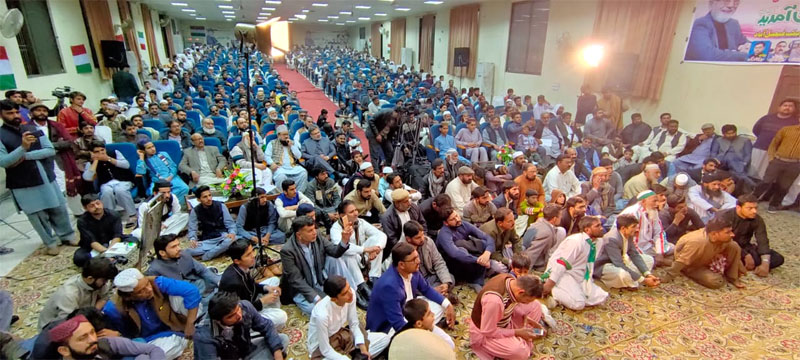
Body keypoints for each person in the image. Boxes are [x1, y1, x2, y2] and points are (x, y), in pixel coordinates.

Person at [0, 100, 75, 255]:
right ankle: (50, 242)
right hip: (22, 182)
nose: (15, 116)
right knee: (37, 216)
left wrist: (24, 155)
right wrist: (23, 148)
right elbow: (4, 161)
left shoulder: (32, 128)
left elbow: (49, 150)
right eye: (10, 113)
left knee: (58, 208)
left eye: (16, 112)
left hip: (45, 176)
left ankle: (67, 235)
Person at [366, 242, 455, 342]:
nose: (418, 261)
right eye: (413, 259)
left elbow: (426, 289)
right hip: (388, 326)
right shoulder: (389, 285)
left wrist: (448, 305)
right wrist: (419, 336)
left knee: (441, 304)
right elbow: (397, 322)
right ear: (401, 265)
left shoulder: (413, 271)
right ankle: (424, 329)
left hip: (409, 312)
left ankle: (425, 326)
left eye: (417, 257)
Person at [102, 268, 200, 359]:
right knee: (152, 355)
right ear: (129, 296)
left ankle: (193, 327)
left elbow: (192, 291)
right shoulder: (114, 309)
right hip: (151, 339)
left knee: (180, 296)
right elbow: (124, 339)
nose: (149, 290)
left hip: (173, 322)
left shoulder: (156, 282)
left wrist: (190, 324)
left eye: (147, 284)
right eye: (141, 291)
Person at [279, 216, 351, 315]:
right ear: (299, 235)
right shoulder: (287, 251)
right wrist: (316, 298)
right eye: (310, 231)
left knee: (337, 303)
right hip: (301, 290)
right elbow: (296, 280)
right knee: (320, 312)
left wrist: (344, 240)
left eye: (314, 229)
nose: (314, 232)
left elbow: (335, 252)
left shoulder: (317, 237)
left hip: (319, 280)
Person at [308, 276, 390, 359]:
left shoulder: (351, 295)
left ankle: (356, 355)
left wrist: (362, 346)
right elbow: (325, 350)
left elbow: (354, 324)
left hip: (342, 338)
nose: (350, 293)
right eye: (344, 293)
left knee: (384, 339)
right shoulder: (322, 315)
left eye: (349, 288)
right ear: (334, 299)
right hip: (322, 347)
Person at [468, 274, 545, 360]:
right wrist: (517, 332)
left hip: (505, 318)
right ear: (521, 292)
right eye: (527, 300)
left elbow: (511, 304)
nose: (527, 303)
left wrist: (534, 326)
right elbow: (488, 332)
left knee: (536, 306)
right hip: (487, 333)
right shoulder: (494, 301)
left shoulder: (511, 281)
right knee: (521, 352)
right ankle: (523, 339)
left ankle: (526, 335)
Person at [194, 291, 288, 360]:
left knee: (282, 340)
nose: (239, 315)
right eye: (231, 316)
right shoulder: (204, 337)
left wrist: (277, 353)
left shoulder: (244, 306)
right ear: (218, 320)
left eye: (238, 310)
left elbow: (267, 326)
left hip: (245, 349)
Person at [541, 216, 608, 310]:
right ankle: (554, 291)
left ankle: (572, 292)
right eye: (597, 226)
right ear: (587, 229)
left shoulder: (598, 242)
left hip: (579, 275)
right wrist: (549, 284)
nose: (601, 228)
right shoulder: (576, 241)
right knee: (579, 304)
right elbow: (561, 263)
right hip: (563, 274)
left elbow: (589, 264)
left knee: (601, 296)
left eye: (600, 225)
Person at [329, 200, 387, 307]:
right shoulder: (335, 229)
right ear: (342, 215)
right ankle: (361, 286)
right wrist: (365, 249)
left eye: (356, 210)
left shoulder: (361, 222)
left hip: (362, 258)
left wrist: (377, 248)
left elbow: (381, 235)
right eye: (351, 212)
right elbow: (342, 247)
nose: (356, 213)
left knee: (377, 239)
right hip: (348, 263)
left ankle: (373, 278)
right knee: (348, 253)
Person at [219, 239, 287, 329]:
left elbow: (252, 285)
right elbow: (240, 310)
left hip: (251, 300)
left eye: (252, 251)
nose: (253, 256)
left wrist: (266, 288)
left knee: (273, 281)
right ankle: (261, 326)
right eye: (248, 255)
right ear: (237, 261)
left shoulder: (242, 268)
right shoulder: (233, 282)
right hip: (241, 316)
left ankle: (269, 313)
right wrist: (262, 301)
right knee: (282, 317)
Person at [661, 217, 746, 289]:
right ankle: (685, 271)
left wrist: (737, 267)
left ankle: (732, 277)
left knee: (734, 246)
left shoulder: (723, 239)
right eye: (728, 232)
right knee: (716, 281)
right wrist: (667, 277)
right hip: (691, 264)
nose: (732, 235)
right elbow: (682, 260)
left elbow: (733, 250)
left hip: (706, 258)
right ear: (714, 234)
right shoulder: (698, 242)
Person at [38, 257, 117, 330]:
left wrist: (93, 312)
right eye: (104, 280)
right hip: (55, 327)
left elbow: (105, 297)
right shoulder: (69, 294)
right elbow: (66, 324)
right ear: (90, 278)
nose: (106, 283)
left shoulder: (97, 282)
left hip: (83, 315)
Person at [716, 194, 784, 277]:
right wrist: (745, 255)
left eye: (755, 208)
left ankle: (751, 265)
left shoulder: (757, 219)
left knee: (778, 258)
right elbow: (723, 240)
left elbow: (762, 241)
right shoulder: (725, 216)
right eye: (750, 208)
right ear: (738, 207)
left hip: (746, 247)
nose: (754, 211)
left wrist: (765, 263)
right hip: (727, 247)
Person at [46, 315, 165, 359]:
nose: (93, 340)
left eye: (92, 332)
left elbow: (153, 349)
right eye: (82, 338)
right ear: (64, 350)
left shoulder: (103, 344)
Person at [436, 207, 498, 289]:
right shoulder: (444, 234)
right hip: (452, 263)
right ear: (446, 223)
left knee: (483, 243)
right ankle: (473, 280)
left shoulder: (463, 224)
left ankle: (481, 272)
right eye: (453, 219)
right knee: (461, 248)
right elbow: (454, 253)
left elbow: (487, 237)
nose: (457, 219)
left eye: (457, 216)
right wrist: (478, 260)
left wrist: (487, 253)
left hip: (468, 257)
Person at [145, 233, 219, 299]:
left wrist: (218, 282)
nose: (179, 249)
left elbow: (202, 270)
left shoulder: (184, 255)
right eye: (174, 247)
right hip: (181, 297)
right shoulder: (155, 270)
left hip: (199, 284)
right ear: (162, 253)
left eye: (178, 245)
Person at [595, 215, 659, 289]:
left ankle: (634, 279)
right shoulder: (612, 239)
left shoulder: (629, 234)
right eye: (633, 226)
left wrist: (647, 274)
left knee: (649, 259)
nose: (636, 229)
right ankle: (633, 281)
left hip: (622, 261)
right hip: (607, 265)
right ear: (623, 228)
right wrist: (643, 280)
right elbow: (618, 263)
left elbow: (634, 255)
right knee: (622, 274)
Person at [74, 194, 138, 267]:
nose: (96, 207)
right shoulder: (82, 221)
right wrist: (106, 253)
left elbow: (117, 235)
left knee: (133, 241)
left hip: (112, 242)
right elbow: (91, 241)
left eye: (98, 203)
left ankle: (105, 258)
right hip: (93, 246)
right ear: (85, 208)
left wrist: (110, 252)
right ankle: (107, 259)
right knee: (79, 258)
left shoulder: (113, 214)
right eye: (92, 206)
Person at [753, 116, 800, 212]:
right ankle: (753, 199)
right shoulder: (786, 130)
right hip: (778, 160)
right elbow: (774, 144)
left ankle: (774, 204)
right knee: (766, 181)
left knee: (784, 186)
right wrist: (771, 158)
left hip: (795, 164)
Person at [83, 141, 137, 225]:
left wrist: (109, 159)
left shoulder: (114, 153)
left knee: (120, 190)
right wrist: (96, 161)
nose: (101, 153)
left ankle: (132, 215)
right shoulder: (90, 162)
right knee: (106, 192)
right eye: (97, 152)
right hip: (106, 183)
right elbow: (87, 177)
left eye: (102, 150)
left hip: (123, 181)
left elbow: (126, 165)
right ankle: (110, 217)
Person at [619, 190, 673, 266]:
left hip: (648, 246)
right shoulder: (632, 214)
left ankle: (656, 259)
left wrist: (659, 252)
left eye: (657, 201)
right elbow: (630, 240)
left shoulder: (653, 210)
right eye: (654, 201)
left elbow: (659, 232)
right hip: (631, 248)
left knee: (673, 248)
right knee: (646, 260)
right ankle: (658, 261)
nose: (657, 204)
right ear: (643, 201)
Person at [684, 0, 749, 61]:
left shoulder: (733, 24)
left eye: (736, 1)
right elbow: (708, 55)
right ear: (712, 2)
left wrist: (752, 48)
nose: (731, 5)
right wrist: (744, 55)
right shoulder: (700, 24)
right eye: (726, 0)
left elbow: (745, 43)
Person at [187, 185, 236, 260]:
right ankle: (219, 251)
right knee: (188, 251)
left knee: (230, 241)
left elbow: (230, 223)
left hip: (223, 236)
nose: (209, 199)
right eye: (205, 197)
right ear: (199, 200)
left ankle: (207, 256)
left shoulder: (221, 206)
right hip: (208, 240)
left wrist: (232, 233)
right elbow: (192, 228)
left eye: (210, 195)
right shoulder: (195, 211)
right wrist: (193, 239)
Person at [751, 99, 798, 178]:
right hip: (759, 148)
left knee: (765, 176)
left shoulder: (795, 123)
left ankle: (759, 190)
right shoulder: (766, 118)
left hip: (775, 154)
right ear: (779, 107)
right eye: (785, 105)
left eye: (790, 106)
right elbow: (756, 130)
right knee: (752, 171)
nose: (787, 108)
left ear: (794, 109)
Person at [381, 188, 428, 257]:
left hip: (419, 240)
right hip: (402, 249)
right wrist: (408, 248)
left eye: (409, 200)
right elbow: (392, 240)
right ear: (397, 204)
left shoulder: (413, 207)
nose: (409, 203)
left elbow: (423, 223)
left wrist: (423, 237)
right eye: (405, 201)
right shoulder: (387, 217)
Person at [265, 125, 309, 193]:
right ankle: (282, 195)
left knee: (303, 172)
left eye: (287, 134)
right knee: (281, 176)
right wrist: (271, 163)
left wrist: (292, 146)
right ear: (279, 135)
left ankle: (298, 194)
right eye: (284, 135)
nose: (286, 136)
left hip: (292, 167)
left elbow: (299, 156)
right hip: (279, 167)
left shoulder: (292, 143)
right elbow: (267, 156)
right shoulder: (272, 143)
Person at [523, 205, 566, 271]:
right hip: (536, 267)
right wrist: (524, 272)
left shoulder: (538, 224)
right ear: (554, 219)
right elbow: (532, 253)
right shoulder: (546, 233)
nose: (561, 217)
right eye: (560, 216)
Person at [479, 207, 521, 273]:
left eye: (513, 220)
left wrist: (517, 257)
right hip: (487, 255)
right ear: (500, 223)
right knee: (499, 268)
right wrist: (507, 261)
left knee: (522, 250)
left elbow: (516, 241)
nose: (513, 223)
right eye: (510, 221)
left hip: (501, 250)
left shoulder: (510, 226)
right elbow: (492, 253)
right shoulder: (490, 231)